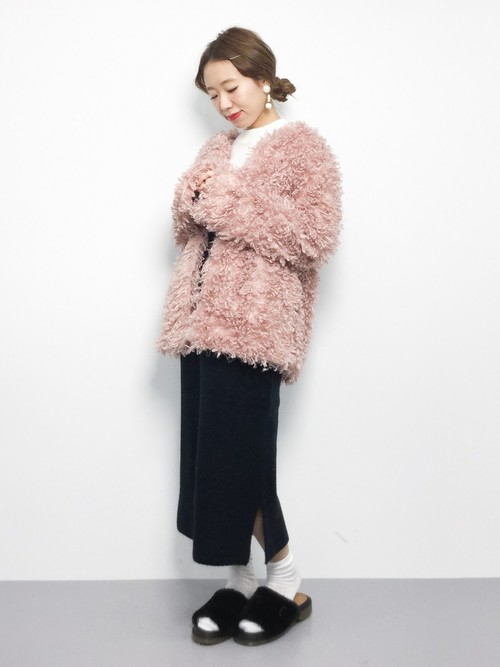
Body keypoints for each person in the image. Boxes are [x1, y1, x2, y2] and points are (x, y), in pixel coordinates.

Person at [157, 26, 342, 646]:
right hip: (199, 323)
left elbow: (314, 237)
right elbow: (188, 227)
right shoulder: (218, 147)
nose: (224, 102)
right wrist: (190, 197)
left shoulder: (302, 147)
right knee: (209, 459)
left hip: (254, 326)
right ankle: (238, 581)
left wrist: (225, 199)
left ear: (263, 78)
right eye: (212, 93)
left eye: (231, 87)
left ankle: (285, 579)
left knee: (241, 458)